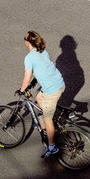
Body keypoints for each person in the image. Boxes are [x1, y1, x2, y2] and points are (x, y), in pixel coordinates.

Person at [19, 30, 65, 158]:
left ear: (28, 42)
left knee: (47, 118)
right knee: (38, 97)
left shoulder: (28, 58)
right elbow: (43, 69)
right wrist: (34, 83)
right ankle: (46, 123)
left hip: (52, 90)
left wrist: (21, 90)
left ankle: (52, 147)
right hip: (60, 83)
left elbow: (26, 78)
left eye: (25, 38)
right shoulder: (43, 51)